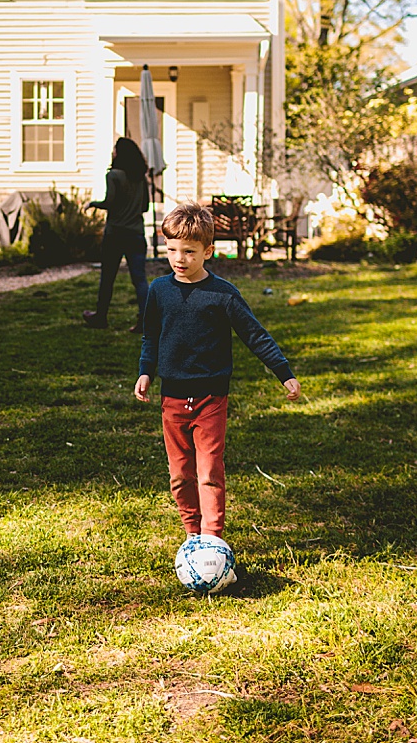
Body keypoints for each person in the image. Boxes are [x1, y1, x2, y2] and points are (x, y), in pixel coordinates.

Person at [134, 202, 301, 541]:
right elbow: (151, 335)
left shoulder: (222, 295)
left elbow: (255, 335)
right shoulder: (159, 291)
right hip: (172, 400)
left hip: (212, 399)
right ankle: (193, 534)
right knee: (180, 476)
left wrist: (284, 372)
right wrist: (145, 371)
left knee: (209, 472)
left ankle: (212, 538)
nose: (179, 259)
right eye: (172, 250)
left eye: (189, 251)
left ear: (208, 251)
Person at [82, 137, 151, 331]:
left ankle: (100, 317)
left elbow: (110, 202)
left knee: (108, 277)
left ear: (120, 154)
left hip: (116, 234)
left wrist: (93, 204)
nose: (112, 152)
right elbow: (145, 206)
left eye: (114, 149)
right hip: (137, 233)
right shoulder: (140, 178)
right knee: (139, 279)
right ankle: (145, 321)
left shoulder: (113, 176)